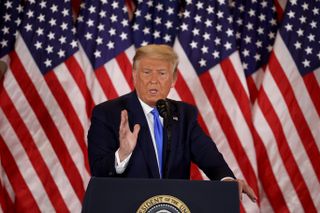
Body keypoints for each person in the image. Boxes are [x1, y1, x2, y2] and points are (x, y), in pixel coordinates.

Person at [87, 44, 257, 202]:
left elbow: (210, 158)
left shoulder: (184, 115)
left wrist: (227, 181)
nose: (153, 80)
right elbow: (98, 171)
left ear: (173, 79)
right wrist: (122, 154)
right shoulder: (108, 114)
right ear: (134, 75)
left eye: (162, 73)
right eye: (146, 72)